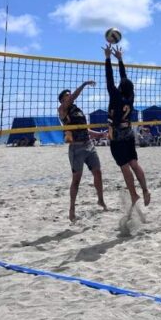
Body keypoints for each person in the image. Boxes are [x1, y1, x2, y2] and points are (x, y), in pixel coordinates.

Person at [104, 45, 150, 224]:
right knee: (134, 163)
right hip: (129, 133)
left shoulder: (115, 96)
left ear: (120, 88)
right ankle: (145, 189)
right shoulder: (130, 97)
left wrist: (108, 58)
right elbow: (124, 79)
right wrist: (120, 60)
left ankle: (134, 194)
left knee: (124, 167)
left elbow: (110, 79)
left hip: (116, 135)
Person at [58, 81, 108, 223]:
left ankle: (100, 200)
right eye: (67, 97)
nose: (70, 98)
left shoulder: (77, 110)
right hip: (76, 148)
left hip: (88, 145)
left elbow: (84, 128)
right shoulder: (62, 110)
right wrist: (84, 84)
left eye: (70, 96)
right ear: (63, 100)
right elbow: (73, 97)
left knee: (98, 172)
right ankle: (72, 209)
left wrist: (98, 134)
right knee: (76, 180)